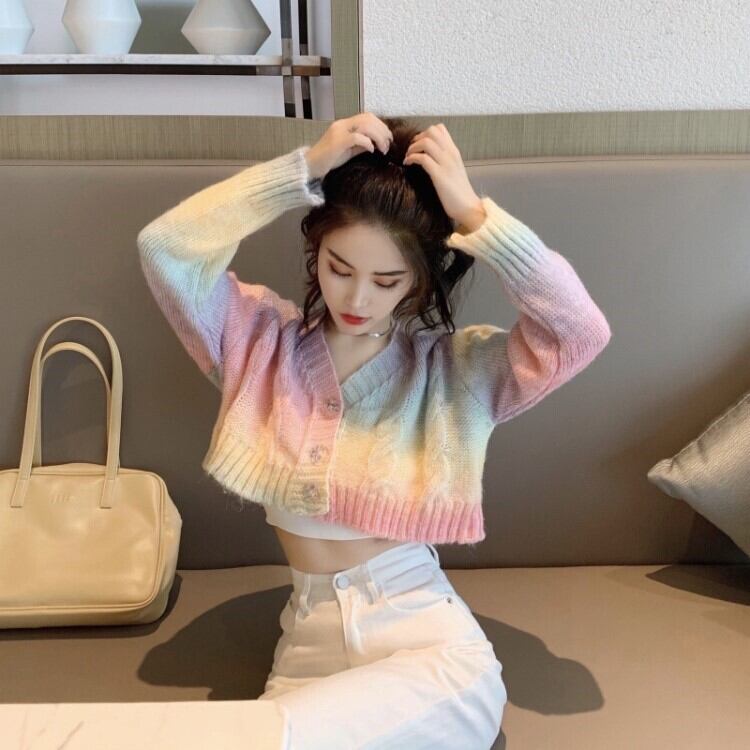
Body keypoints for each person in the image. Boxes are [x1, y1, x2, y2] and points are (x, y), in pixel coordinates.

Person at [137, 112, 612, 749]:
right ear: (316, 252)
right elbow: (165, 248)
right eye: (339, 269)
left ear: (418, 281)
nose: (357, 298)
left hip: (427, 643)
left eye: (387, 281)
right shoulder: (256, 345)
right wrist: (303, 169)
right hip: (308, 650)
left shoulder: (455, 372)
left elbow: (578, 332)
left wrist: (474, 216)